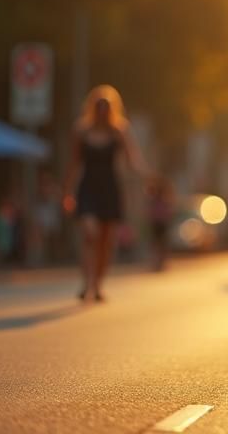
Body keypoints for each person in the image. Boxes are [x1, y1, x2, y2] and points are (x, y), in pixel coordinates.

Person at [63, 85, 146, 302]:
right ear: (92, 106)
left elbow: (132, 161)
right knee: (90, 234)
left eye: (106, 106)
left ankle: (98, 284)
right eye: (98, 105)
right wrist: (68, 192)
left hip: (110, 188)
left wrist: (148, 177)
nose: (102, 110)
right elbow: (73, 163)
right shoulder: (81, 131)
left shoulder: (119, 131)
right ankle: (86, 282)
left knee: (106, 240)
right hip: (88, 187)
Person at [146, 175, 174, 272]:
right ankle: (156, 262)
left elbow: (168, 209)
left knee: (161, 243)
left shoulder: (164, 198)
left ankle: (161, 262)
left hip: (161, 222)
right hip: (156, 222)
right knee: (157, 243)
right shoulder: (153, 197)